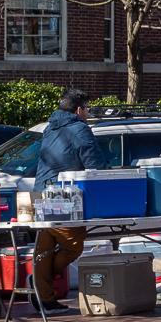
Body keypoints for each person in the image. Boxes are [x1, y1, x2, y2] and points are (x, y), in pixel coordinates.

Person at [32, 88, 102, 308]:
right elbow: (93, 163)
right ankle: (41, 288)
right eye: (87, 109)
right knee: (73, 245)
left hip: (40, 191)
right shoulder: (79, 128)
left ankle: (44, 297)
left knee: (45, 246)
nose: (88, 113)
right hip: (62, 194)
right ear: (79, 109)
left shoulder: (50, 128)